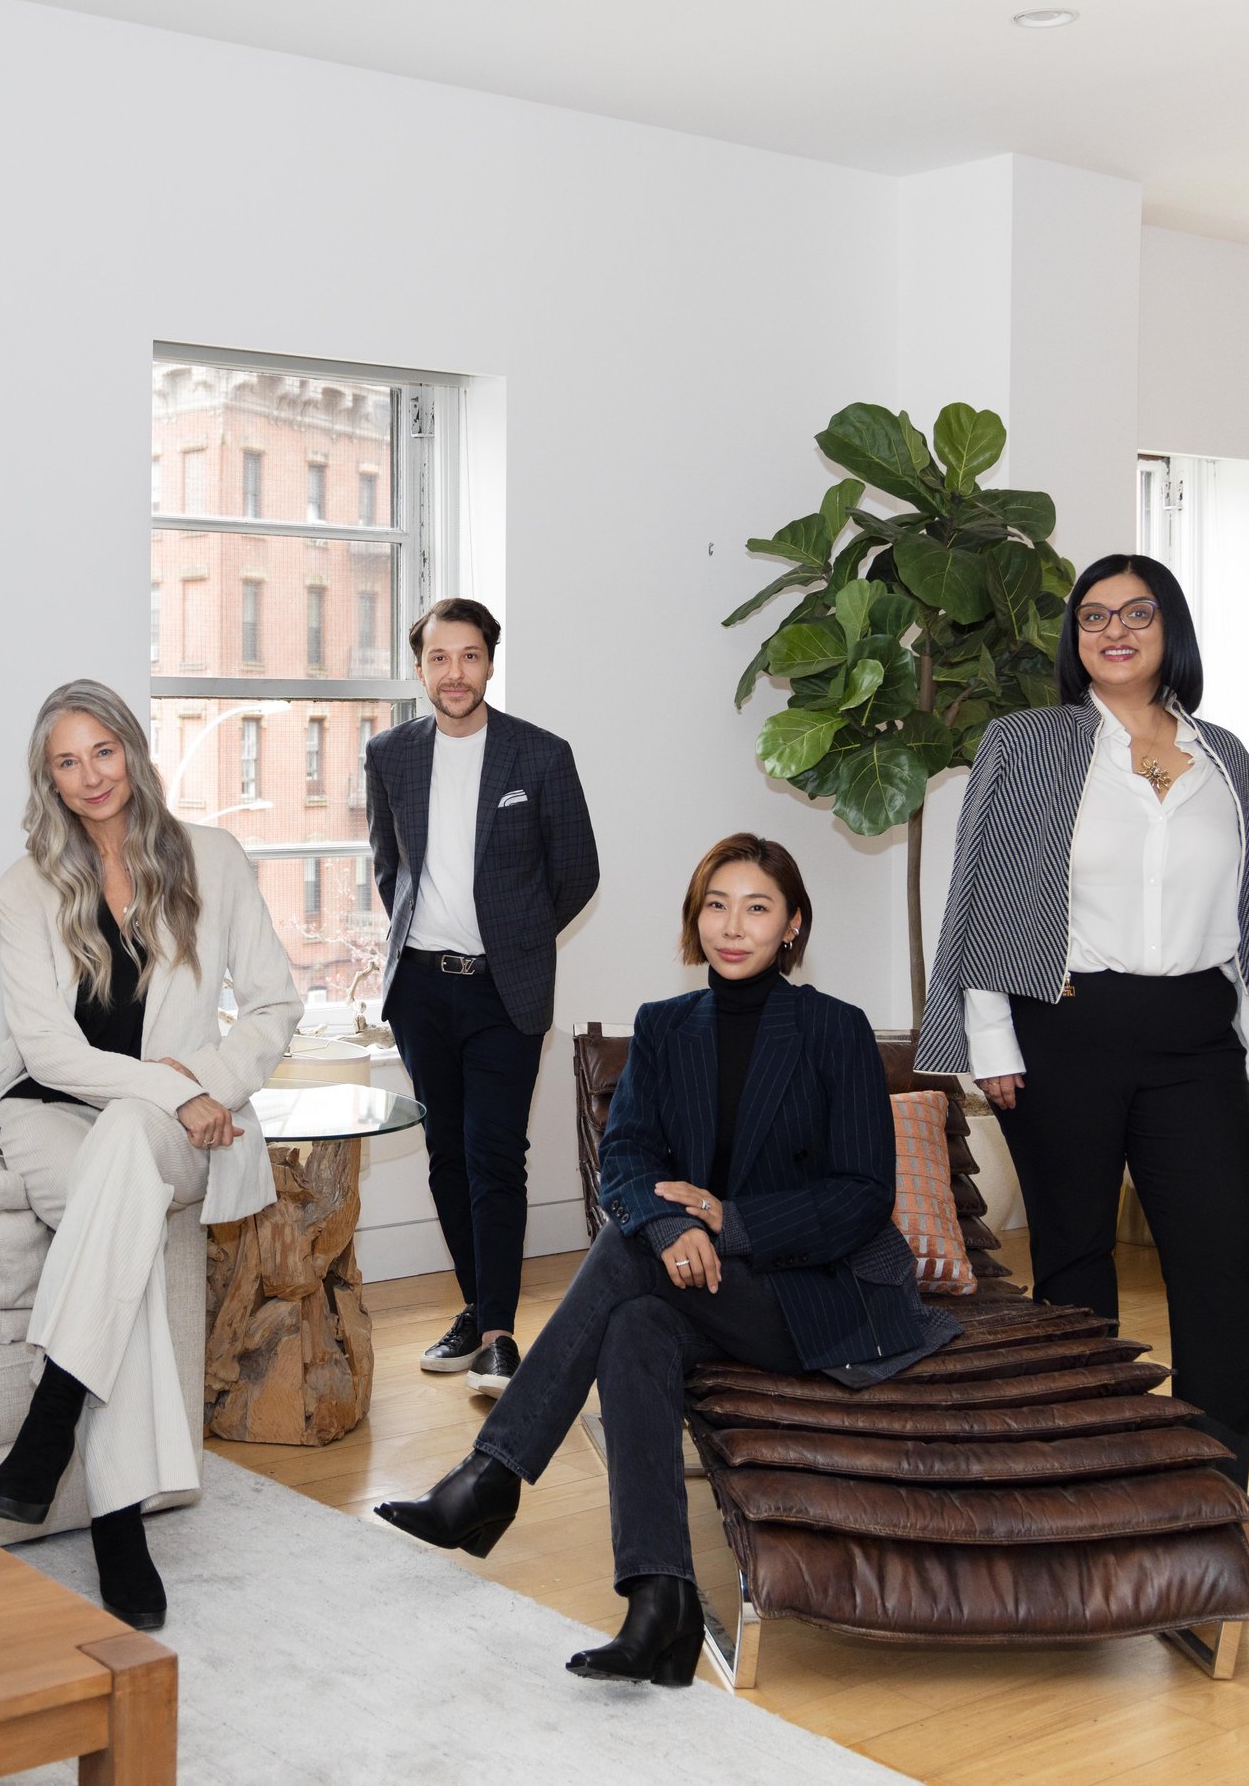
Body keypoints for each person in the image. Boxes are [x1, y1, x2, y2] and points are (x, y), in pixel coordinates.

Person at [374, 835, 957, 1684]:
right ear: (695, 918)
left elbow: (863, 1194)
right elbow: (627, 1159)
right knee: (635, 1326)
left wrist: (729, 1221)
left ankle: (491, 1476)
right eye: (716, 904)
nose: (733, 925)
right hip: (697, 1289)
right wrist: (675, 1230)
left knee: (624, 1249)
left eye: (757, 907)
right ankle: (661, 1603)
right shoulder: (664, 1026)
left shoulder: (835, 1030)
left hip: (820, 1298)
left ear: (793, 925)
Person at [916, 555, 1249, 1497]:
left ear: (1172, 629)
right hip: (1062, 1033)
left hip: (1196, 1040)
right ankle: (1093, 1483)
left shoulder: (1226, 762)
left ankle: (1215, 1494)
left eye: (1137, 613)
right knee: (1075, 1263)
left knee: (1218, 1268)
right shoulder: (1027, 742)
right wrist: (991, 1042)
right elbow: (983, 899)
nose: (1113, 631)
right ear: (1074, 638)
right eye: (1093, 617)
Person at [0, 680, 301, 1631]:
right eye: (67, 761)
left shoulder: (212, 860)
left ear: (135, 753)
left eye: (103, 751)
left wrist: (209, 1087)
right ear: (49, 780)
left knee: (132, 1156)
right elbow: (53, 1052)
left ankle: (50, 1418)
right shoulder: (25, 888)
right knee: (127, 1231)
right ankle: (116, 1525)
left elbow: (274, 1005)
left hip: (175, 1125)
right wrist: (177, 1089)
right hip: (53, 1113)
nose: (89, 775)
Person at [365, 597, 599, 1395]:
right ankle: (476, 1306)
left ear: (490, 662)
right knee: (445, 1157)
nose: (454, 672)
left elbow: (577, 873)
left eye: (469, 656)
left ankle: (498, 1334)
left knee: (495, 1157)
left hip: (506, 990)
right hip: (422, 991)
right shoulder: (390, 754)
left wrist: (518, 941)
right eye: (438, 657)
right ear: (421, 665)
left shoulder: (540, 756)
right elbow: (388, 866)